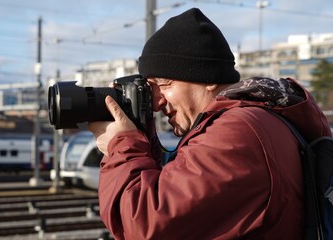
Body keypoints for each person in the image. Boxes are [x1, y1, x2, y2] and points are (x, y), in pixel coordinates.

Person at [88, 8, 332, 240]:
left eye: (163, 84)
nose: (157, 102)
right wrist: (141, 134)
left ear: (207, 79)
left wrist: (121, 146)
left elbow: (145, 225)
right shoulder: (250, 120)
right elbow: (177, 187)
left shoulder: (237, 131)